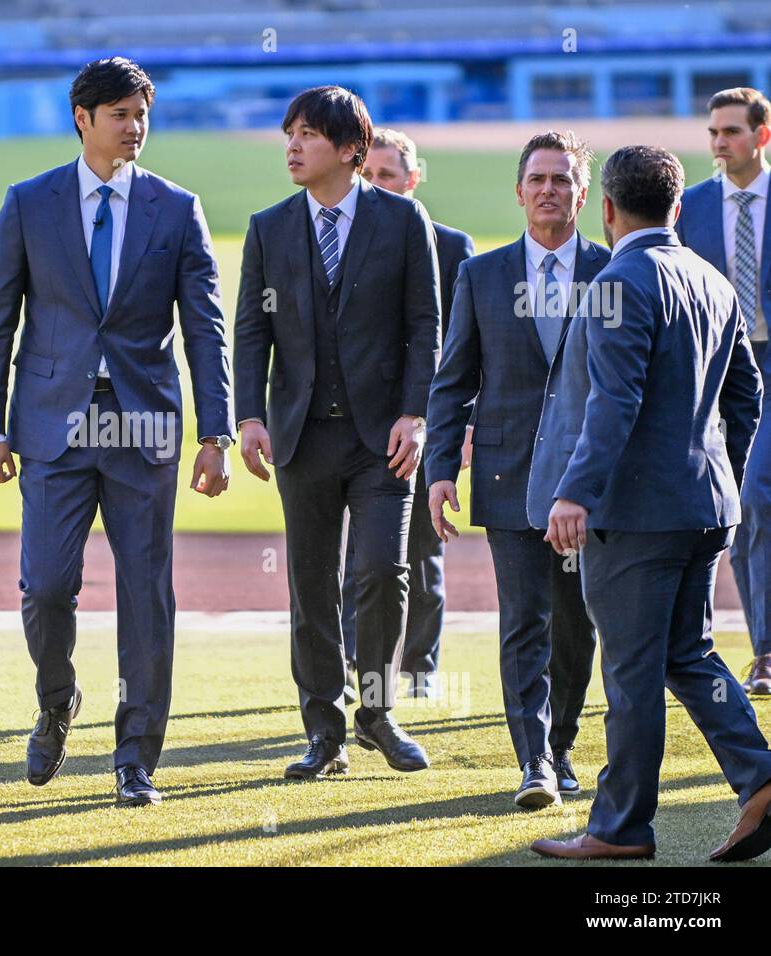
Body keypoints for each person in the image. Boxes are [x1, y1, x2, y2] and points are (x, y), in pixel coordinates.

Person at [0, 57, 233, 807]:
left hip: (145, 423)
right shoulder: (28, 203)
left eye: (141, 113)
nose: (134, 126)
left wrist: (214, 434)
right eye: (119, 113)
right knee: (47, 586)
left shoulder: (177, 208)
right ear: (82, 118)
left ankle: (135, 758)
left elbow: (205, 328)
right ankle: (58, 702)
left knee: (147, 593)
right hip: (53, 425)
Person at [531, 145, 771, 862]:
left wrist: (575, 491)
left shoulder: (619, 279)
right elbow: (748, 395)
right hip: (703, 506)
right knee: (687, 654)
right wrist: (712, 470)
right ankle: (760, 776)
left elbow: (615, 400)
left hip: (636, 516)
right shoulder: (711, 278)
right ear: (675, 206)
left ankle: (619, 829)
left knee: (632, 671)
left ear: (605, 209)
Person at [234, 86, 440, 780]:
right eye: (288, 133)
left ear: (351, 149)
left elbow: (424, 326)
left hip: (382, 438)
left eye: (308, 135)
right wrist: (249, 416)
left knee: (383, 570)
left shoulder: (404, 222)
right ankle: (324, 732)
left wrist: (417, 412)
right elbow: (250, 329)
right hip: (300, 439)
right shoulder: (268, 227)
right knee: (310, 585)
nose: (292, 146)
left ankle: (377, 713)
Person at [425, 132, 602, 808]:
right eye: (539, 179)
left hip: (586, 483)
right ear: (520, 191)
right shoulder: (483, 274)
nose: (550, 190)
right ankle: (534, 763)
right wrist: (441, 467)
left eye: (563, 179)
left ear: (582, 194)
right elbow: (453, 380)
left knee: (575, 624)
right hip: (506, 476)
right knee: (522, 619)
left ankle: (561, 744)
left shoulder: (612, 274)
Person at [341, 127, 475, 700]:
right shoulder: (339, 239)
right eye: (368, 176)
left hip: (428, 420)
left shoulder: (450, 246)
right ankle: (355, 667)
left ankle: (419, 667)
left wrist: (463, 424)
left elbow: (468, 346)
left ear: (413, 179)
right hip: (356, 420)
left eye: (387, 176)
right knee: (360, 552)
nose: (376, 186)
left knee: (422, 547)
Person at [675, 87, 771, 697]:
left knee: (755, 490)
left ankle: (764, 653)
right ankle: (704, 648)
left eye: (731, 132)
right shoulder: (692, 205)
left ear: (761, 135)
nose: (718, 143)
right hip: (717, 370)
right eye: (713, 132)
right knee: (736, 500)